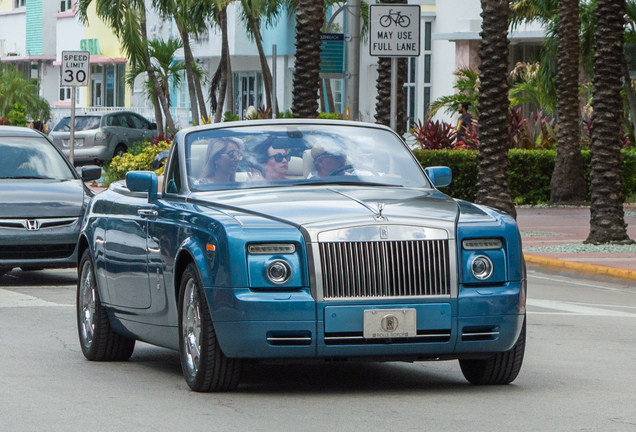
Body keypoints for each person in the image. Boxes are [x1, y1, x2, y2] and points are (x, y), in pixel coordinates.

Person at [307, 141, 372, 178]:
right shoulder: (310, 185)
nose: (343, 160)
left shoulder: (355, 176)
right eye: (337, 156)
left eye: (344, 155)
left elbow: (379, 178)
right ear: (320, 162)